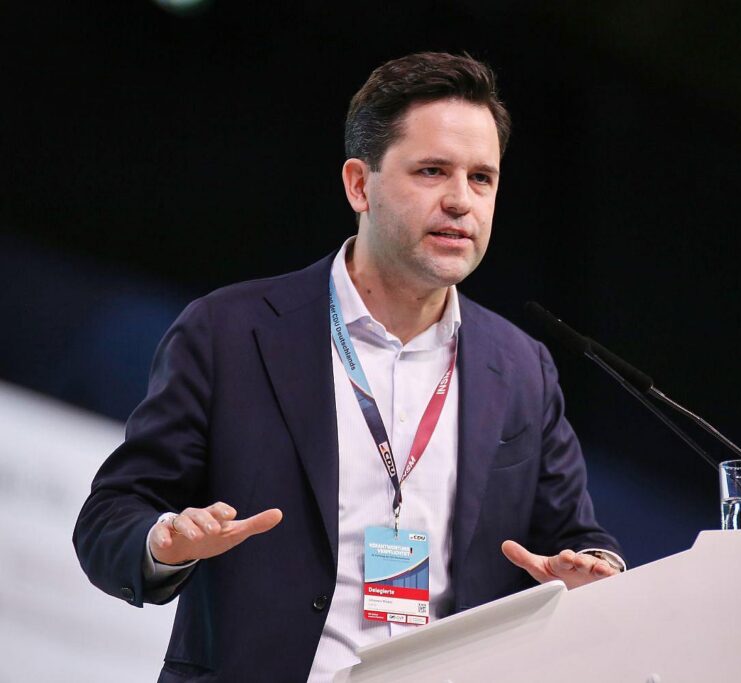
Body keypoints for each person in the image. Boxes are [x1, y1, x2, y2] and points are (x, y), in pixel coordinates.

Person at [74, 52, 623, 682]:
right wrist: (164, 542)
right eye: (432, 171)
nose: (460, 201)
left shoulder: (522, 367)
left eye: (481, 179)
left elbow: (577, 538)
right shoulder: (229, 332)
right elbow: (112, 515)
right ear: (359, 184)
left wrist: (591, 572)